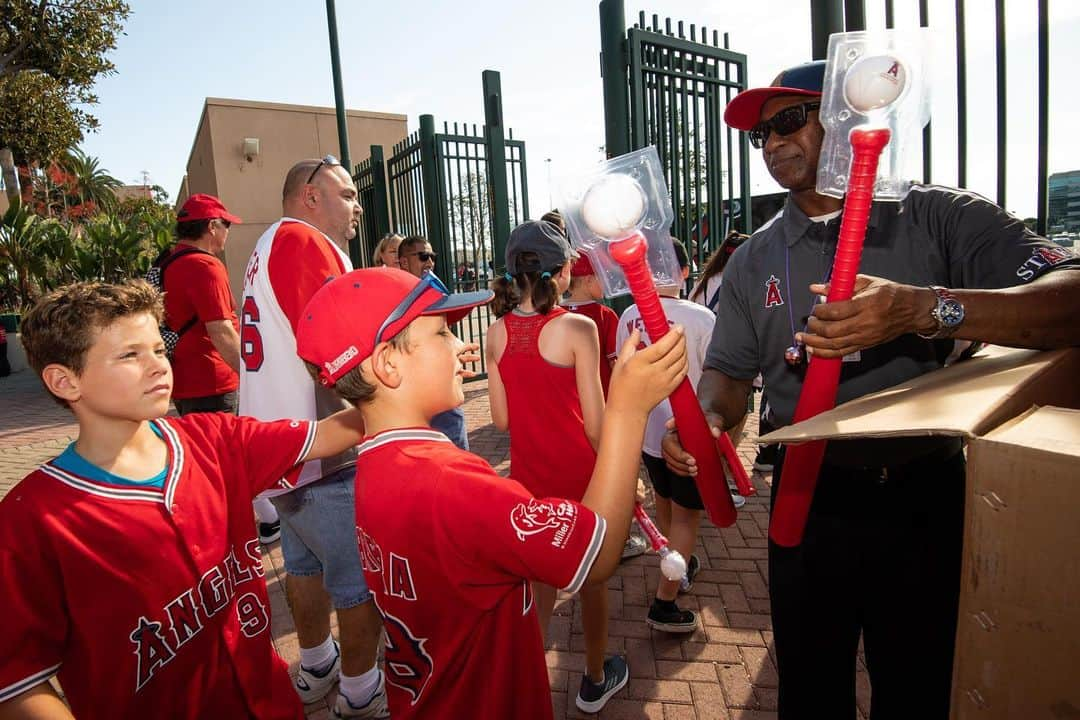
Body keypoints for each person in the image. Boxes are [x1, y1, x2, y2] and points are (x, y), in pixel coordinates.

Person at [661, 60, 1080, 719]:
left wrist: (926, 309)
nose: (771, 143)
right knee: (809, 691)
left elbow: (1069, 298)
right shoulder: (754, 258)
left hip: (925, 496)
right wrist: (710, 420)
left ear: (846, 116)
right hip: (805, 498)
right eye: (760, 135)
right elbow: (731, 375)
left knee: (918, 687)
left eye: (789, 121)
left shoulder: (937, 215)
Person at [293, 266, 688, 719]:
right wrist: (628, 411)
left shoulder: (377, 465)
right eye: (442, 333)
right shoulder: (450, 483)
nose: (463, 345)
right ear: (387, 363)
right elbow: (595, 556)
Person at [0, 280, 374, 720]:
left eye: (159, 349)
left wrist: (401, 382)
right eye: (129, 355)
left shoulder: (214, 437)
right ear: (64, 380)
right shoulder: (33, 521)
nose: (158, 365)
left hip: (271, 702)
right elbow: (18, 684)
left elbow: (329, 434)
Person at [238, 156, 387, 718]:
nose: (356, 206)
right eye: (346, 194)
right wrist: (384, 403)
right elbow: (331, 345)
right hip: (321, 442)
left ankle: (319, 663)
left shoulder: (266, 243)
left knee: (302, 567)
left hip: (281, 444)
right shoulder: (303, 241)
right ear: (309, 195)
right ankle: (359, 691)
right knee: (355, 581)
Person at [486, 219, 634, 713]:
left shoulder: (495, 332)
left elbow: (502, 421)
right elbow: (597, 424)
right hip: (581, 473)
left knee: (541, 582)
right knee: (592, 576)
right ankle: (593, 678)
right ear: (560, 271)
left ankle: (528, 680)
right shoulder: (578, 328)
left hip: (530, 479)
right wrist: (622, 476)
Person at [617, 239, 732, 634]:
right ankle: (665, 602)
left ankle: (676, 562)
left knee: (666, 502)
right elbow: (718, 378)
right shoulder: (701, 318)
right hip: (686, 436)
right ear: (686, 271)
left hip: (648, 431)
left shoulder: (629, 315)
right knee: (687, 516)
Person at [159, 193, 281, 545]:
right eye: (225, 224)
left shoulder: (170, 261)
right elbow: (221, 330)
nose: (228, 232)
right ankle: (248, 528)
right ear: (211, 227)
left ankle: (247, 524)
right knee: (232, 459)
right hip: (214, 379)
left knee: (211, 458)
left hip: (186, 378)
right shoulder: (205, 265)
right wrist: (253, 376)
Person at [689, 232, 778, 473]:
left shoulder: (704, 281)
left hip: (702, 360)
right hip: (733, 361)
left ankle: (709, 476)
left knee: (709, 422)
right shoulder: (741, 280)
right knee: (730, 427)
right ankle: (723, 479)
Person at [397, 234, 470, 450]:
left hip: (440, 387)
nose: (429, 262)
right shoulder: (393, 295)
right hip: (412, 393)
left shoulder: (433, 290)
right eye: (423, 256)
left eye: (432, 256)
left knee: (456, 452)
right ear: (404, 262)